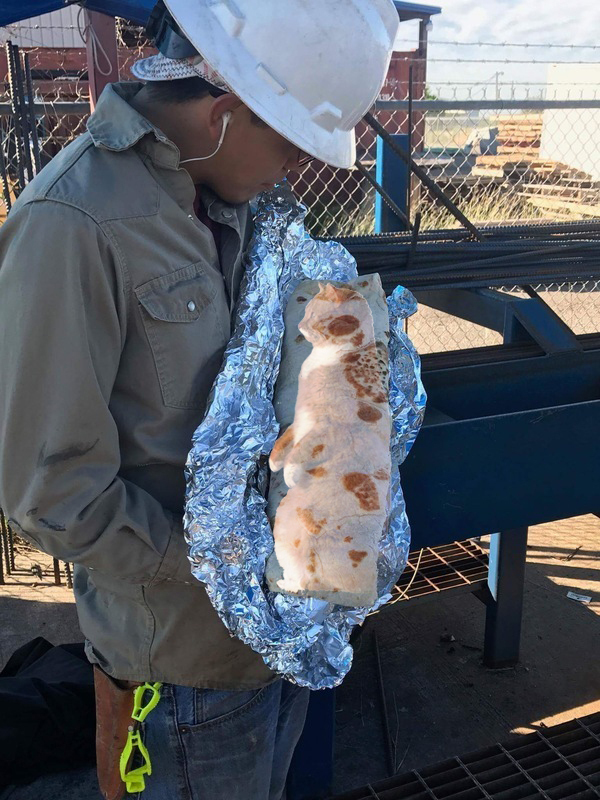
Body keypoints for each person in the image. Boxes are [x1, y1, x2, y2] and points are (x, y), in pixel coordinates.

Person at [0, 1, 399, 797]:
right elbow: (49, 491)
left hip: (276, 638)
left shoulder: (225, 198)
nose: (294, 168)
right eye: (290, 142)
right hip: (180, 665)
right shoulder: (73, 224)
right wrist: (226, 568)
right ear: (224, 113)